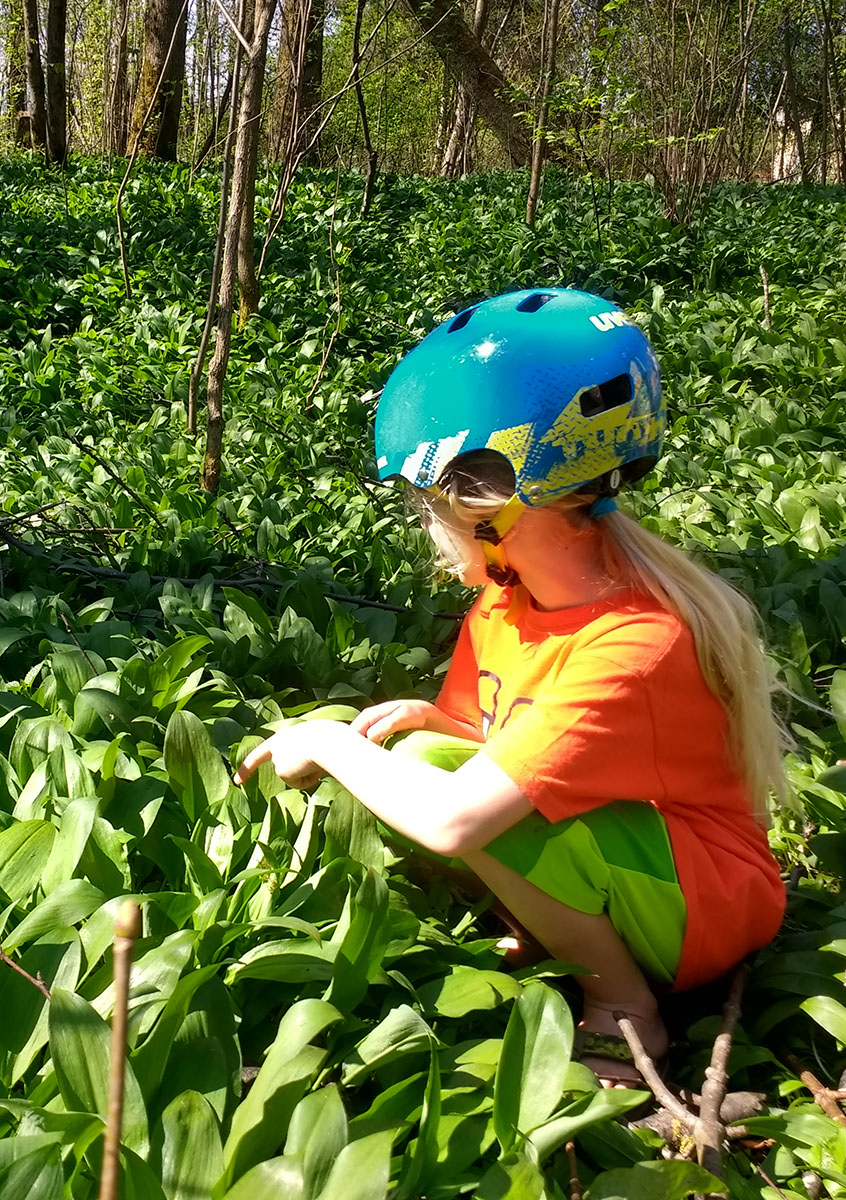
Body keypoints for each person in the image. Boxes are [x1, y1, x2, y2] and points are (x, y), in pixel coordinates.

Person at [233, 287, 788, 1086]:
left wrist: (321, 741)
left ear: (489, 498)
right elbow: (483, 741)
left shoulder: (636, 643)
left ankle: (625, 1010)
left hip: (701, 904)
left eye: (430, 500)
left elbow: (459, 817)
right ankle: (553, 933)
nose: (426, 521)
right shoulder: (507, 599)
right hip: (627, 864)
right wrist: (430, 721)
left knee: (424, 787)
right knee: (410, 751)